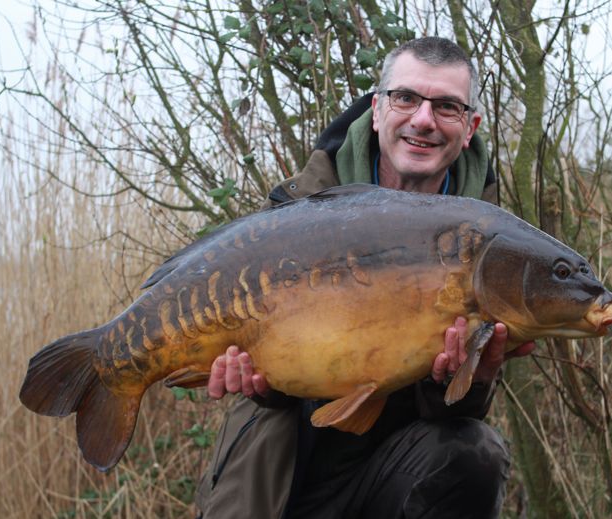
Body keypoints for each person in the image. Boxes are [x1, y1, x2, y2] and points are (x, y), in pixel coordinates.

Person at [195, 37, 535, 519]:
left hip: (400, 472)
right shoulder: (298, 210)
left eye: (446, 106)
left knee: (475, 452)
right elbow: (260, 357)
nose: (423, 120)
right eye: (406, 98)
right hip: (287, 466)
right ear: (377, 110)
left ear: (470, 126)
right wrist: (259, 382)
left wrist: (469, 378)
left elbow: (452, 420)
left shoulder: (488, 243)